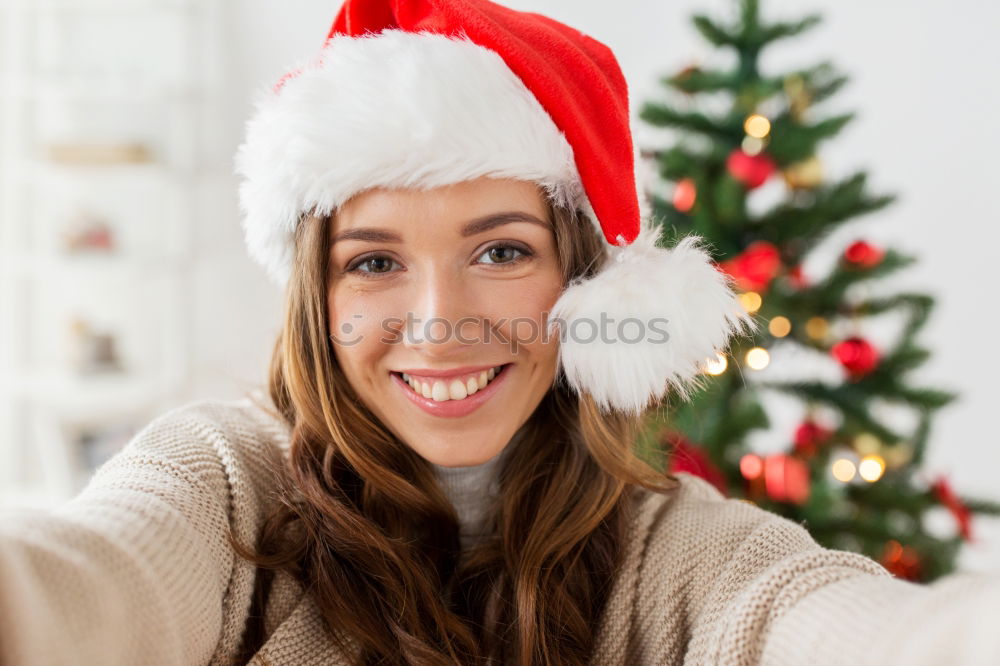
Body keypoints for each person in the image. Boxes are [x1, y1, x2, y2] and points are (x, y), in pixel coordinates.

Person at [1, 0, 999, 664]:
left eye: (502, 253)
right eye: (375, 262)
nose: (437, 322)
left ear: (583, 282)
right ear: (321, 298)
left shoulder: (663, 550)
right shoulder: (223, 483)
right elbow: (82, 584)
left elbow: (831, 622)